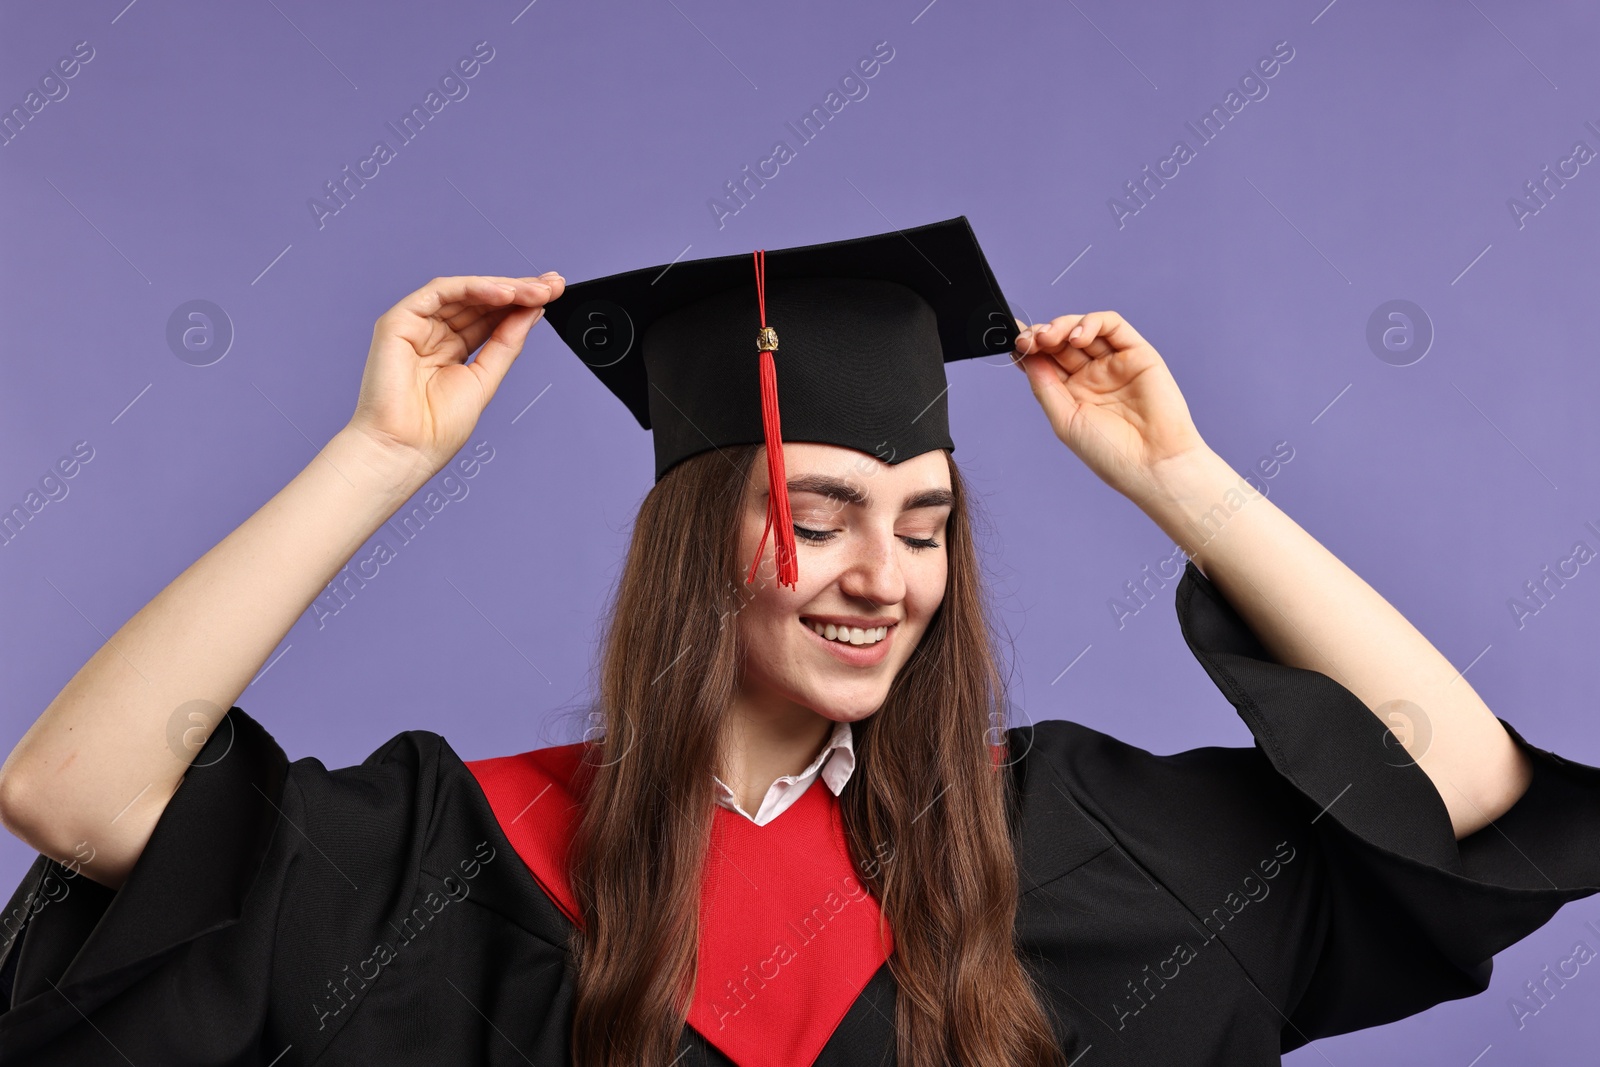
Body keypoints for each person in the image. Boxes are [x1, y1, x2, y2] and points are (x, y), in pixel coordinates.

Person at [0, 216, 1597, 1067]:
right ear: (697, 545)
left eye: (925, 522)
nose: (883, 575)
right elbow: (74, 792)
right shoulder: (453, 859)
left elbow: (1455, 784)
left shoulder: (1071, 844)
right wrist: (381, 455)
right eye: (819, 510)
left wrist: (1181, 481)